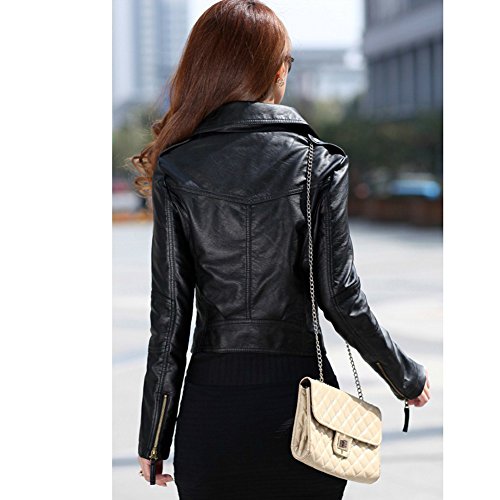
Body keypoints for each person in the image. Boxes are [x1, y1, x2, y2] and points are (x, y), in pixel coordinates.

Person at [130, 1, 431, 498]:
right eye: (288, 60)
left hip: (212, 413)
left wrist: (154, 437)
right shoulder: (318, 163)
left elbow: (169, 320)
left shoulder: (177, 169)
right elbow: (341, 297)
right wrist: (405, 376)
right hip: (306, 413)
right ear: (275, 71)